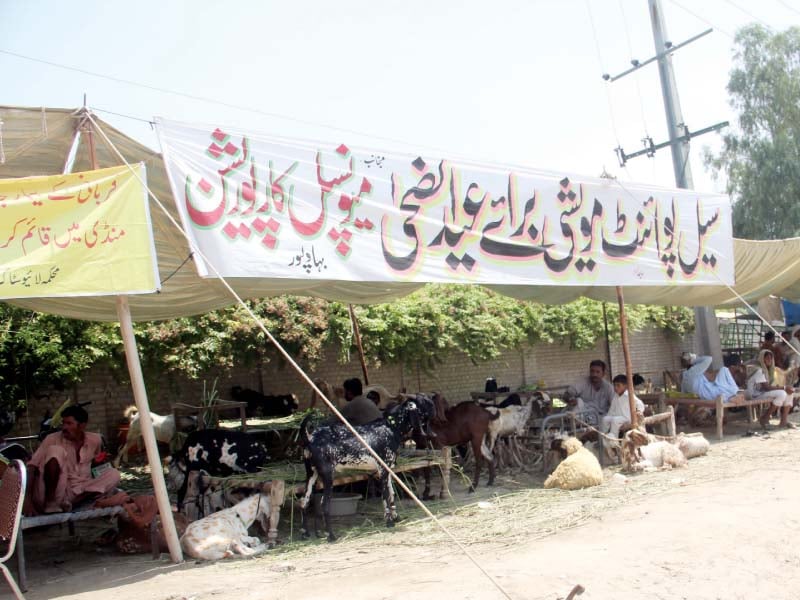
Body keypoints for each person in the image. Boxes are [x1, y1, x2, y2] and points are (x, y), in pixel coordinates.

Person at [23, 405, 120, 515]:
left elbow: (95, 465)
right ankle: (52, 503)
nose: (64, 427)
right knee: (56, 451)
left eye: (69, 423)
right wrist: (27, 500)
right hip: (56, 491)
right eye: (63, 423)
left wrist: (101, 462)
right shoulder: (52, 439)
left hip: (80, 491)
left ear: (82, 426)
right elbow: (31, 467)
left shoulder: (95, 440)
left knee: (114, 474)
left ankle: (74, 504)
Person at [747, 349, 796, 429]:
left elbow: (768, 386)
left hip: (763, 392)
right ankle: (765, 418)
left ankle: (783, 421)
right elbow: (766, 387)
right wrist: (783, 387)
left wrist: (783, 388)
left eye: (771, 358)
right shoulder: (759, 370)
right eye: (767, 358)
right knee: (782, 393)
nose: (769, 360)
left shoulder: (769, 371)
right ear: (762, 359)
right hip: (755, 394)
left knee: (789, 393)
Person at [600, 374, 645, 440]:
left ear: (625, 386)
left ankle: (614, 440)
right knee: (605, 419)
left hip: (627, 419)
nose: (615, 387)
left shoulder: (628, 395)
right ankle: (603, 438)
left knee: (615, 420)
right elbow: (612, 409)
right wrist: (608, 418)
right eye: (614, 385)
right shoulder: (615, 396)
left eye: (618, 385)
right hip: (617, 417)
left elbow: (640, 403)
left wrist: (639, 411)